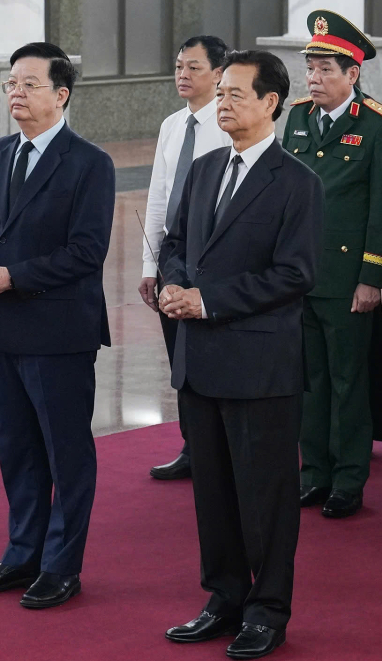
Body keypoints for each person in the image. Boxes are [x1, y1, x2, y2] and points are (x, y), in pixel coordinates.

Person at [160, 49, 323, 661]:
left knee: (266, 499)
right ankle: (224, 597)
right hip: (200, 360)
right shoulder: (205, 168)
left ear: (270, 103)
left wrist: (208, 301)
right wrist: (174, 284)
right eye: (220, 92)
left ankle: (268, 610)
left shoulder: (297, 182)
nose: (221, 103)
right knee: (213, 494)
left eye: (234, 94)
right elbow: (177, 242)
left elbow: (295, 274)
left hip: (259, 366)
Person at [0, 42, 115, 610]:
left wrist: (11, 277)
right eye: (11, 84)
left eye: (29, 84)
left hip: (57, 332)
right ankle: (22, 554)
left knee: (64, 452)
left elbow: (87, 252)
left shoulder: (89, 162)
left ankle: (61, 565)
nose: (16, 94)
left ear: (61, 94)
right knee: (17, 449)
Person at [284, 10, 382, 519]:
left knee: (347, 382)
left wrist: (371, 277)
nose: (314, 78)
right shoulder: (297, 117)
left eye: (325, 69)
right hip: (299, 276)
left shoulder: (378, 123)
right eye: (310, 68)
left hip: (346, 278)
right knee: (309, 380)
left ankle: (349, 479)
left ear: (353, 73)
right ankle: (314, 472)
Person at [139, 35, 231, 481]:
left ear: (219, 74)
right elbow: (159, 197)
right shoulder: (173, 125)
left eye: (194, 67)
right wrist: (149, 266)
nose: (183, 74)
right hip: (173, 260)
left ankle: (222, 447)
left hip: (214, 259)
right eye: (179, 66)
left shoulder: (230, 124)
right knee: (181, 358)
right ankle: (193, 446)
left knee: (216, 356)